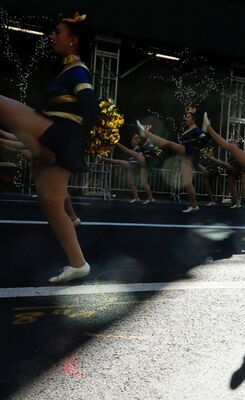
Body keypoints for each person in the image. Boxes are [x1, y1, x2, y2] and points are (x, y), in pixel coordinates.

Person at [0, 12, 99, 282]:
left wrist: (76, 142)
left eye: (58, 32)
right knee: (51, 206)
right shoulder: (67, 70)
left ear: (73, 41)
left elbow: (91, 108)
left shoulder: (78, 70)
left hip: (59, 135)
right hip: (54, 134)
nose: (53, 36)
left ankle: (46, 150)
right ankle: (78, 263)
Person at [137, 106, 210, 213]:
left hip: (190, 152)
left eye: (188, 117)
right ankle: (194, 206)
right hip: (187, 155)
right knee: (187, 182)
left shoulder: (196, 129)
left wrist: (204, 131)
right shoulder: (190, 129)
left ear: (193, 119)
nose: (186, 118)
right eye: (186, 117)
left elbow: (206, 141)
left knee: (168, 143)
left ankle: (146, 133)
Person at [99, 133, 155, 204]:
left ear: (138, 141)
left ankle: (150, 198)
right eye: (133, 138)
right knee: (131, 183)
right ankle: (136, 198)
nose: (132, 140)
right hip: (132, 167)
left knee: (119, 162)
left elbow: (141, 159)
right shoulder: (135, 149)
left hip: (136, 166)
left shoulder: (138, 149)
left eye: (135, 138)